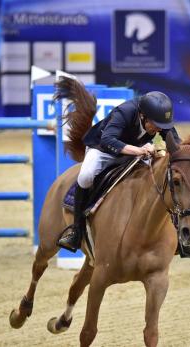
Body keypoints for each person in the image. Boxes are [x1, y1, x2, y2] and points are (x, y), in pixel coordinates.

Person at [58, 91, 181, 252]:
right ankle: (76, 230)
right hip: (103, 149)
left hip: (136, 150)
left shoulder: (159, 118)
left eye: (162, 126)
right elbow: (108, 140)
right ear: (143, 115)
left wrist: (168, 150)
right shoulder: (124, 112)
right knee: (86, 176)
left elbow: (176, 143)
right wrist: (138, 150)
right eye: (156, 125)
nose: (159, 129)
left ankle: (178, 233)